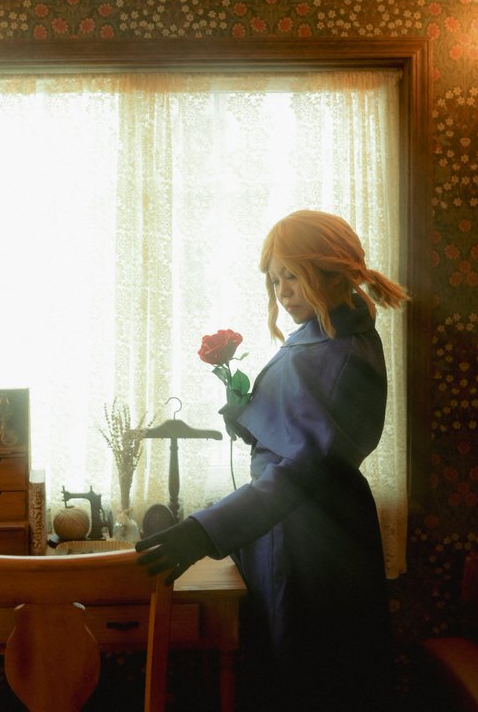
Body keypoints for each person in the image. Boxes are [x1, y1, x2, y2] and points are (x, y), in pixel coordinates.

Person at [136, 209, 408, 710]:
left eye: (292, 276)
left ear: (329, 271)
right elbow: (303, 433)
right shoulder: (323, 335)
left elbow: (304, 467)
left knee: (311, 683)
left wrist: (204, 532)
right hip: (292, 528)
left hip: (314, 542)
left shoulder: (341, 350)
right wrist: (251, 416)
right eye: (275, 279)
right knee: (287, 673)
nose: (282, 292)